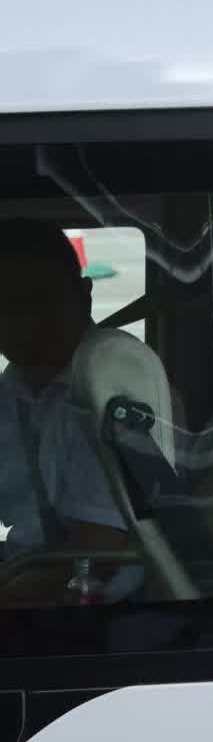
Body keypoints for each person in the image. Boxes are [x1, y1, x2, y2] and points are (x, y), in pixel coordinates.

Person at [0, 217, 138, 596]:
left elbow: (97, 551)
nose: (26, 323)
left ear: (84, 295)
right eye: (8, 306)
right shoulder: (13, 392)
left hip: (91, 608)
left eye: (42, 301)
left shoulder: (114, 392)